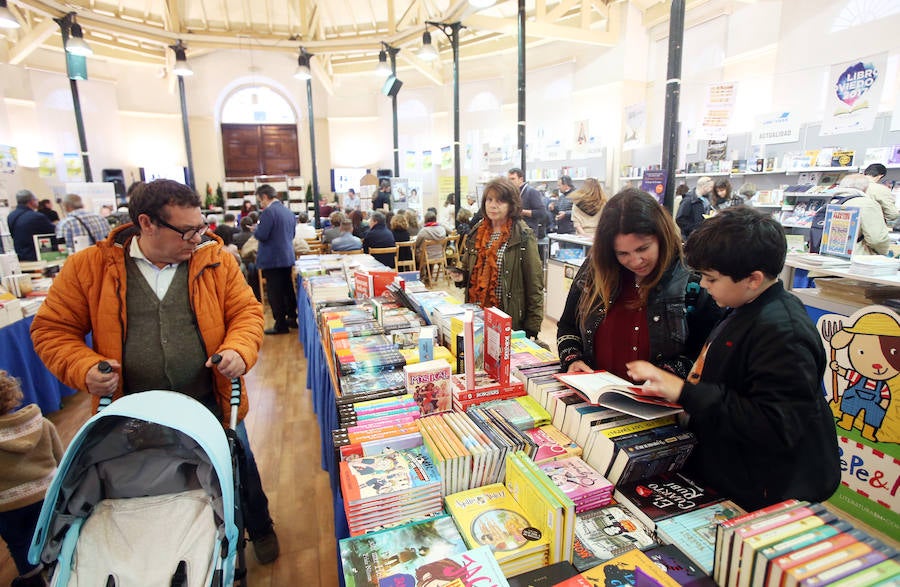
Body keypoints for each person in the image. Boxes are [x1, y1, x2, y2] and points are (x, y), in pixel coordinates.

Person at [29, 179, 280, 564]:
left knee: (239, 465)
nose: (198, 238)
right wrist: (84, 368)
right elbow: (52, 329)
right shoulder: (91, 267)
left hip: (211, 399)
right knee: (148, 486)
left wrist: (238, 350)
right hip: (132, 410)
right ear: (146, 224)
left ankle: (259, 529)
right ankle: (176, 557)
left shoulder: (215, 260)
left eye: (201, 226)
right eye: (187, 231)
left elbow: (246, 313)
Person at [625, 206, 841, 511]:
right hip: (734, 466)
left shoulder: (783, 333)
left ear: (753, 278)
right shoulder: (745, 306)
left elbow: (775, 424)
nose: (703, 286)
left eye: (711, 279)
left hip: (766, 487)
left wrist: (684, 392)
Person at [557, 188, 721, 381]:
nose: (635, 261)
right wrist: (572, 359)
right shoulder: (596, 269)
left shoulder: (691, 276)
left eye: (643, 248)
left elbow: (706, 348)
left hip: (659, 405)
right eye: (622, 254)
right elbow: (568, 326)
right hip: (596, 396)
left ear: (662, 237)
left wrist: (669, 375)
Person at [449, 177, 544, 338]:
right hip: (477, 314)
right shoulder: (478, 231)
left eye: (500, 201)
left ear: (511, 204)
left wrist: (532, 328)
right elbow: (469, 271)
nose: (493, 205)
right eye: (489, 199)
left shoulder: (522, 235)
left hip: (508, 319)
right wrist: (461, 276)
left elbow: (535, 285)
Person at [0, 370, 63, 587]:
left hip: (8, 506)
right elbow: (61, 458)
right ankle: (59, 568)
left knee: (19, 543)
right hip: (47, 492)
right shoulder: (41, 423)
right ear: (11, 394)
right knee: (51, 531)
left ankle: (33, 579)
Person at [255, 184, 298, 335]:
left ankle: (280, 324)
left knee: (275, 292)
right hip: (286, 255)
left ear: (265, 197)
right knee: (287, 288)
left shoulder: (268, 213)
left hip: (272, 258)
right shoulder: (288, 212)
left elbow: (262, 235)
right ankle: (292, 318)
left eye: (260, 201)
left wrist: (256, 229)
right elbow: (292, 234)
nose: (261, 204)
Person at [829, 173, 891, 256]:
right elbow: (877, 239)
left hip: (832, 254)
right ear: (865, 188)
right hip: (858, 258)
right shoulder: (867, 204)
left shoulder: (832, 203)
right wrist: (884, 253)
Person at [7, 190, 57, 262]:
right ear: (31, 201)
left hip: (20, 255)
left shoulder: (11, 216)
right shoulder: (37, 217)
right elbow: (53, 232)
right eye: (36, 199)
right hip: (36, 256)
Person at [508, 168, 548, 240]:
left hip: (528, 233)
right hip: (514, 232)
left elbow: (541, 213)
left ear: (521, 179)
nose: (510, 182)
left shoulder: (531, 192)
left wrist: (521, 212)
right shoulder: (512, 193)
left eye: (513, 179)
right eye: (509, 180)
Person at [675, 176, 713, 240]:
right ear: (704, 186)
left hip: (702, 235)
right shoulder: (688, 200)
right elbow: (680, 219)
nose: (712, 189)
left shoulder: (706, 199)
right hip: (691, 237)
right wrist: (695, 229)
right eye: (711, 187)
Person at [415, 210, 448, 279]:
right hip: (439, 255)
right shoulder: (442, 229)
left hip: (425, 256)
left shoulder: (424, 231)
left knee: (414, 253)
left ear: (426, 219)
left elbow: (417, 244)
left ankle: (419, 276)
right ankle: (429, 274)